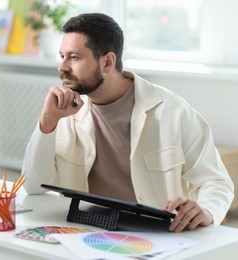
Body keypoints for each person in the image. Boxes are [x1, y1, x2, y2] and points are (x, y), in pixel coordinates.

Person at [21, 13, 234, 233]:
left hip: (159, 236)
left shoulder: (173, 111)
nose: (62, 67)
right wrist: (47, 122)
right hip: (87, 231)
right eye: (61, 56)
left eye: (74, 57)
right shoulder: (64, 112)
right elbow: (33, 185)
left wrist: (206, 210)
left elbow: (218, 183)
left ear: (108, 62)